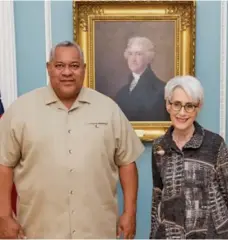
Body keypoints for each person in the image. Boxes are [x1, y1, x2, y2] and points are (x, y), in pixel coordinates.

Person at [0, 41, 145, 239]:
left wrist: (130, 213)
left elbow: (127, 163)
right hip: (39, 230)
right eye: (60, 66)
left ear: (84, 69)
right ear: (49, 68)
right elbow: (4, 165)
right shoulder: (20, 111)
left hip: (96, 230)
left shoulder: (108, 109)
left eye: (74, 66)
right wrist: (4, 215)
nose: (67, 72)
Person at [150, 75, 228, 239]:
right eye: (177, 104)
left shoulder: (215, 144)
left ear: (198, 107)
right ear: (168, 105)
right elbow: (158, 198)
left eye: (189, 106)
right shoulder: (159, 147)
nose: (182, 113)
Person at [115, 36, 170, 122]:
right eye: (130, 54)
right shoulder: (121, 92)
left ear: (148, 58)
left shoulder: (161, 90)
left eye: (138, 54)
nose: (133, 59)